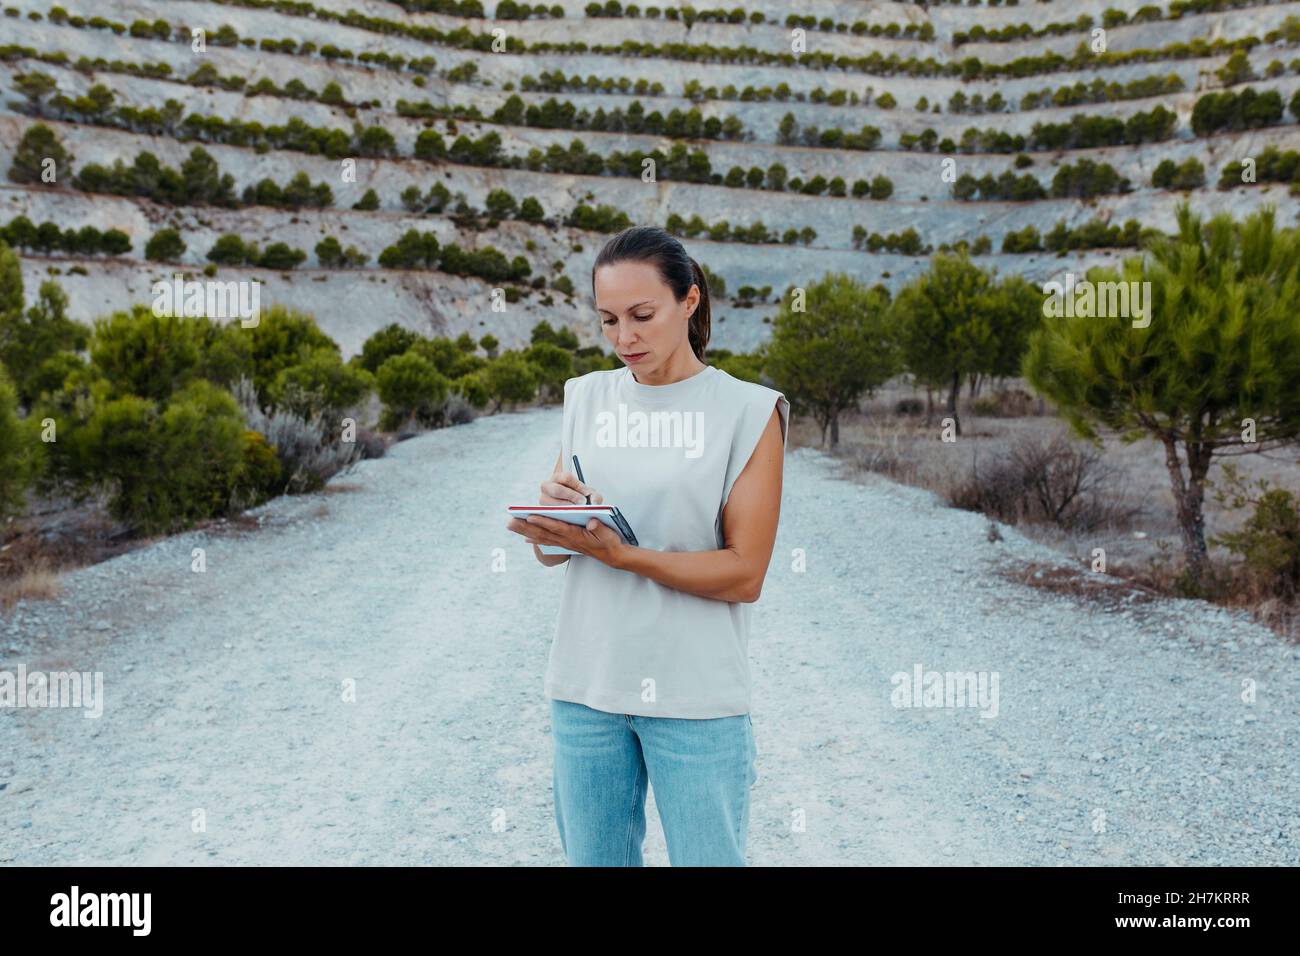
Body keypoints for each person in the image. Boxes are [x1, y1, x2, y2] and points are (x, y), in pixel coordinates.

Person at [505, 225, 789, 866]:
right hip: (587, 689)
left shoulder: (749, 411)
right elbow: (557, 553)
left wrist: (625, 557)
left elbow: (745, 573)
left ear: (689, 302)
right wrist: (551, 526)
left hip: (696, 696)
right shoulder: (587, 396)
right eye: (608, 320)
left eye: (641, 315)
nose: (623, 338)